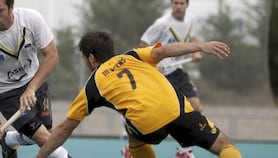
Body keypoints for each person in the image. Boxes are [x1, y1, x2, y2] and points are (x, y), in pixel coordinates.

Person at [35, 31, 242, 158]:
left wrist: (40, 156)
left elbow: (64, 129)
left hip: (146, 125)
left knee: (132, 129)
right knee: (224, 145)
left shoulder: (93, 85)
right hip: (178, 110)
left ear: (90, 58)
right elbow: (163, 51)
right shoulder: (133, 55)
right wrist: (200, 45)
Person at [0, 0, 71, 158]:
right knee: (46, 139)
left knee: (46, 131)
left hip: (35, 83)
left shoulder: (31, 20)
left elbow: (52, 55)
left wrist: (31, 88)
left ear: (11, 7)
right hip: (6, 93)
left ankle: (9, 139)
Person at [139, 0, 202, 156]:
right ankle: (133, 147)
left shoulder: (191, 19)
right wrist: (152, 64)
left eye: (181, 3)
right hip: (160, 74)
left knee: (195, 106)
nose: (178, 6)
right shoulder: (162, 23)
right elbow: (143, 44)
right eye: (175, 3)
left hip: (177, 71)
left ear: (187, 4)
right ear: (171, 4)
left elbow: (192, 37)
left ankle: (184, 150)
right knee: (155, 116)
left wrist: (195, 50)